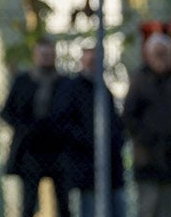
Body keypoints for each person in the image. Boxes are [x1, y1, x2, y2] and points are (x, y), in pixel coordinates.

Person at [0, 36, 74, 217]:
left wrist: (63, 130)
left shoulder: (65, 84)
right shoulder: (23, 81)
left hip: (59, 150)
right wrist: (25, 128)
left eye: (49, 54)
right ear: (35, 55)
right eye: (42, 54)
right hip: (31, 151)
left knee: (64, 204)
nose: (46, 58)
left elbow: (74, 113)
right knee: (29, 204)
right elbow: (7, 112)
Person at [122, 32, 171, 217]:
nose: (161, 59)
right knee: (148, 209)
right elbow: (129, 117)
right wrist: (145, 139)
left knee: (169, 210)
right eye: (157, 54)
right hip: (149, 162)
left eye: (165, 54)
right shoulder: (140, 82)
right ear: (149, 55)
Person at [67, 46, 126, 217]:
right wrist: (89, 142)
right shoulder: (74, 90)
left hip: (112, 169)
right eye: (91, 62)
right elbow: (67, 125)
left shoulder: (104, 90)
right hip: (87, 169)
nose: (95, 66)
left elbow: (116, 125)